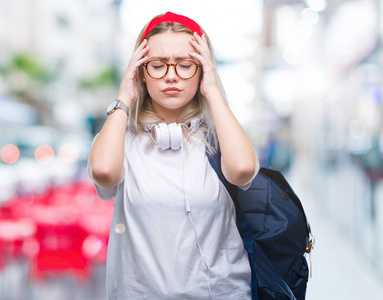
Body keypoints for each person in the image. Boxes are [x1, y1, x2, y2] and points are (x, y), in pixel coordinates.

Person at [87, 11, 259, 300]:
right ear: (141, 71)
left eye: (186, 65)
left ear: (203, 69)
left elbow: (243, 169)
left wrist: (213, 89)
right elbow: (104, 173)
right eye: (157, 65)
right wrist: (125, 95)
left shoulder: (220, 141)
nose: (171, 75)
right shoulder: (119, 139)